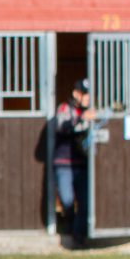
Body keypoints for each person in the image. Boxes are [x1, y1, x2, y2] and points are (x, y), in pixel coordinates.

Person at [50, 79, 96, 248]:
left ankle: (78, 237)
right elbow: (62, 126)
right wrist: (81, 118)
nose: (87, 98)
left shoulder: (90, 112)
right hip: (64, 163)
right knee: (67, 200)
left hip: (82, 163)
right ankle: (68, 229)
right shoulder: (65, 109)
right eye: (85, 94)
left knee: (85, 202)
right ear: (76, 93)